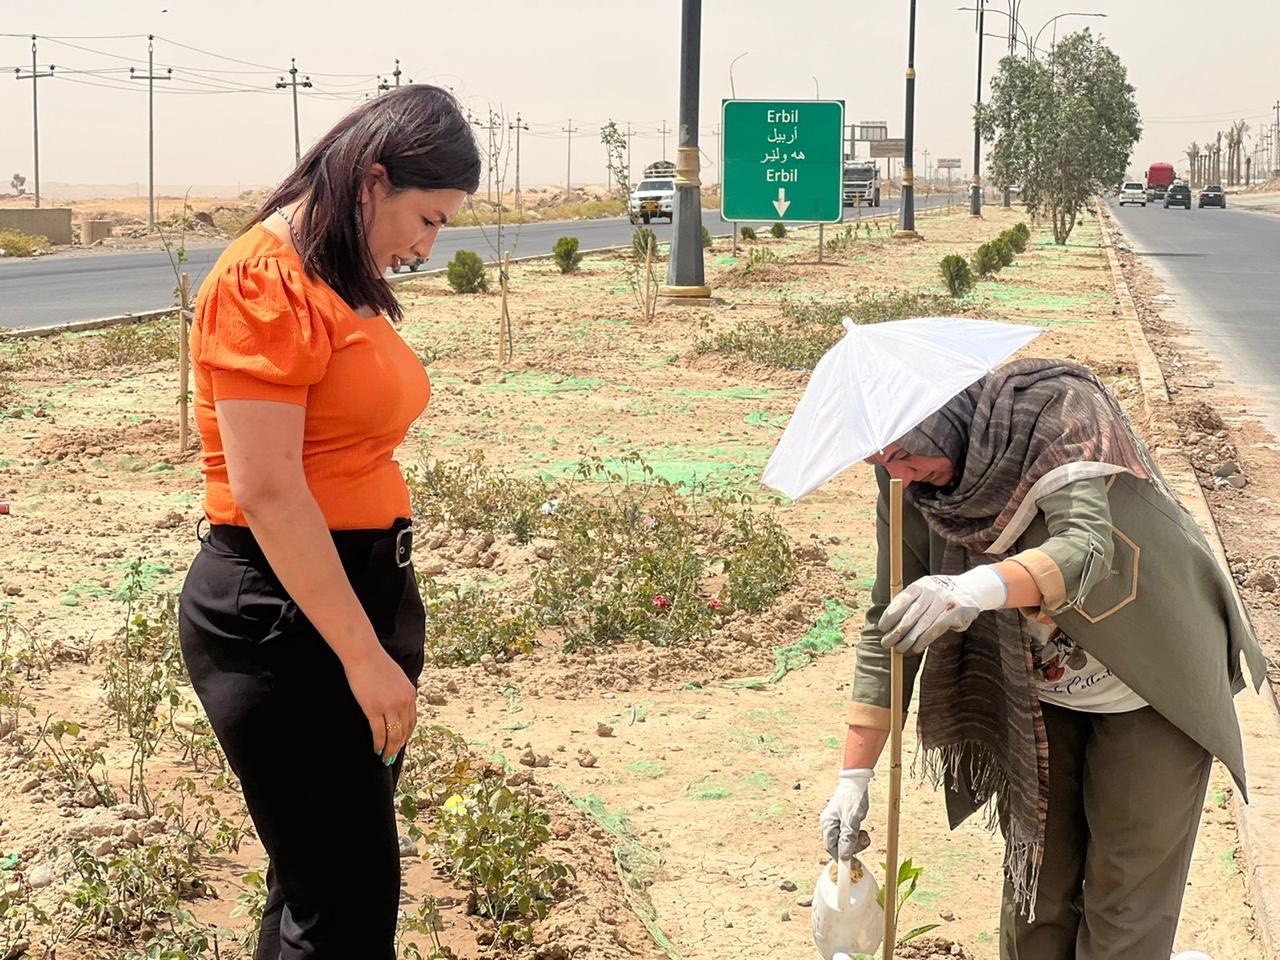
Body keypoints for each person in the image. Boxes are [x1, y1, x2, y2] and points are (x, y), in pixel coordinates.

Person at [819, 358, 1265, 960]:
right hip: (1036, 695)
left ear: (941, 418)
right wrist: (855, 776)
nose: (900, 476)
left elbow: (1086, 548)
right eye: (880, 463)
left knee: (1124, 910)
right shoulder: (906, 481)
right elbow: (888, 621)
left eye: (903, 453)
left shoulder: (1056, 414)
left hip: (1150, 681)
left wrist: (972, 589)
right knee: (1036, 898)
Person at [178, 85, 479, 958]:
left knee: (318, 890)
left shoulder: (336, 274)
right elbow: (267, 488)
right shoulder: (262, 278)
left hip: (349, 598)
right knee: (345, 906)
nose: (425, 246)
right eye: (426, 219)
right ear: (371, 180)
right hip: (285, 619)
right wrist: (363, 657)